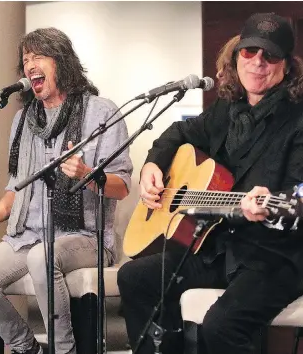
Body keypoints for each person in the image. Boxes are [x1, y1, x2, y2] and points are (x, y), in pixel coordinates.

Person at [118, 12, 303, 354]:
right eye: (250, 52)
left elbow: (298, 199)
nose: (258, 63)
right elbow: (176, 134)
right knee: (135, 277)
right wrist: (151, 167)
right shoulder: (225, 110)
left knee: (220, 326)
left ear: (287, 67)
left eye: (270, 56)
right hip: (218, 248)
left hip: (273, 258)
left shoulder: (298, 121)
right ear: (237, 56)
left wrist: (273, 205)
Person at [0, 27, 133, 354]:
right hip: (28, 234)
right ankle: (28, 348)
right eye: (26, 59)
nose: (30, 64)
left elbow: (122, 186)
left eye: (38, 56)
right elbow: (17, 188)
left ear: (61, 62)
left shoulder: (100, 112)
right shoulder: (23, 120)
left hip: (85, 236)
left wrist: (89, 175)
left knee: (41, 257)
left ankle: (64, 350)